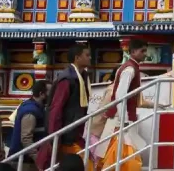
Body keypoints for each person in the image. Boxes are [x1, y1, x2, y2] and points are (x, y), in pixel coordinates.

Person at [99, 38, 158, 171]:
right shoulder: (130, 69)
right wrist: (123, 120)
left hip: (120, 119)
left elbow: (134, 99)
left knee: (122, 156)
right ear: (133, 51)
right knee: (125, 156)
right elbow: (121, 95)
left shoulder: (131, 67)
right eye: (142, 51)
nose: (145, 54)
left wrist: (158, 105)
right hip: (120, 121)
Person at [37, 44, 92, 171]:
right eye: (87, 55)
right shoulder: (67, 79)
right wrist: (54, 138)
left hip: (75, 134)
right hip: (66, 136)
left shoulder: (82, 77)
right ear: (77, 58)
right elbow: (56, 109)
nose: (90, 58)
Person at [9, 80, 47, 170]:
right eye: (50, 91)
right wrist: (38, 159)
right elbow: (26, 139)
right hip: (24, 163)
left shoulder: (37, 108)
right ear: (41, 94)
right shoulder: (30, 111)